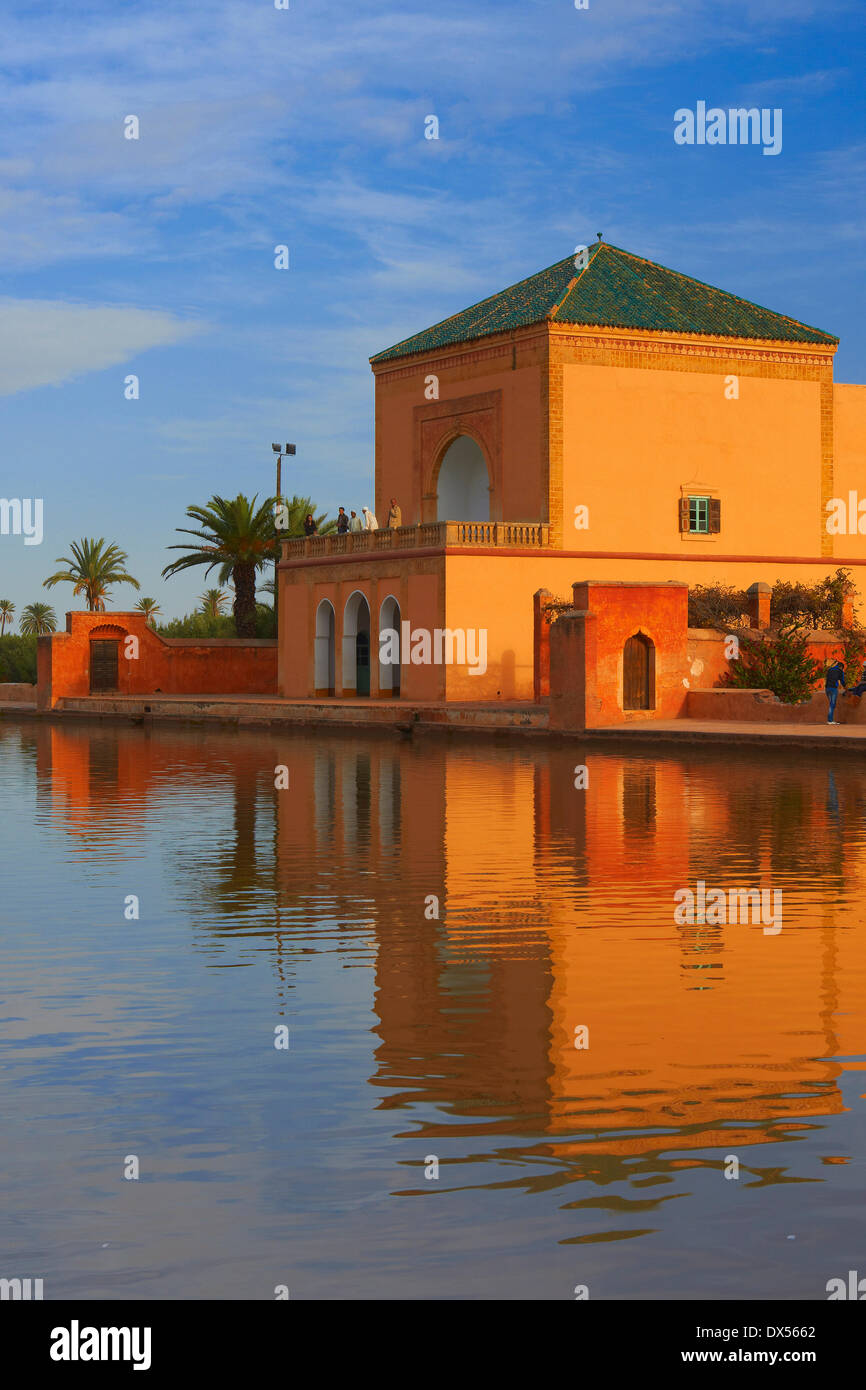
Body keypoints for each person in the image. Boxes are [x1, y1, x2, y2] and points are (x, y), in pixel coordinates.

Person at [824, 658, 846, 724]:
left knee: (831, 704)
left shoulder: (830, 669)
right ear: (841, 667)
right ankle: (830, 720)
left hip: (827, 688)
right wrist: (846, 689)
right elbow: (842, 681)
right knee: (832, 704)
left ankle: (830, 720)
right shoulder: (840, 671)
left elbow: (827, 678)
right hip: (833, 689)